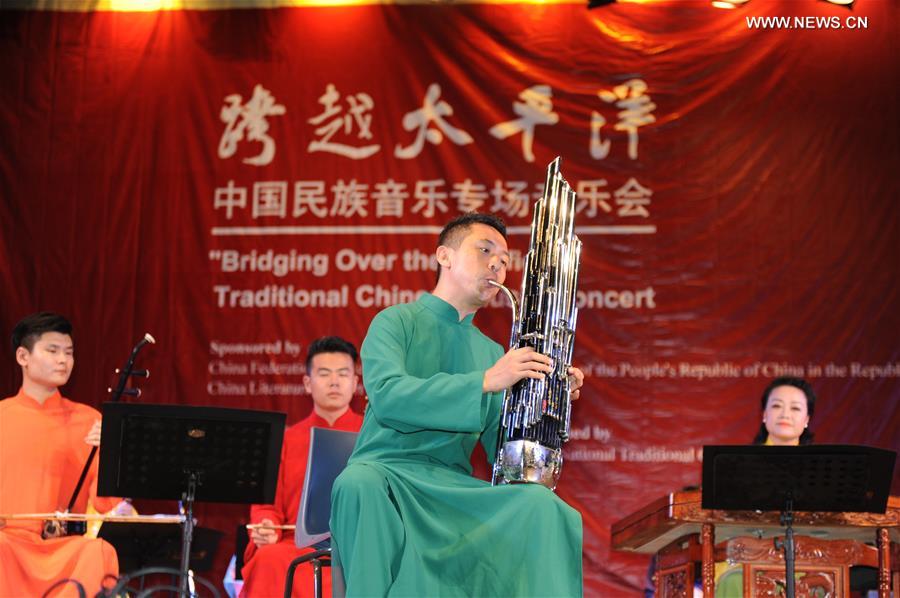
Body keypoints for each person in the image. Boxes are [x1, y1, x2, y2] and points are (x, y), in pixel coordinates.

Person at [330, 212, 585, 597]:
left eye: (503, 259)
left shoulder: (492, 351)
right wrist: (485, 381)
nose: (497, 264)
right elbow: (388, 395)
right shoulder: (395, 322)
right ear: (444, 256)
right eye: (485, 251)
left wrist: (547, 397)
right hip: (387, 474)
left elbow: (504, 452)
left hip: (452, 487)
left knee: (541, 506)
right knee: (357, 483)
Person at [0, 312, 128, 597]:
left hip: (63, 547)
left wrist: (112, 454)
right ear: (23, 356)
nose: (64, 360)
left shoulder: (90, 421)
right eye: (53, 351)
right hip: (8, 544)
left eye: (69, 353)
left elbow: (107, 504)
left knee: (98, 550)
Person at [240, 336, 364, 598]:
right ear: (308, 383)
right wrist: (266, 526)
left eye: (343, 374)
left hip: (360, 546)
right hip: (298, 548)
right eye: (324, 374)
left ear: (355, 383)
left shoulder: (374, 436)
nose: (334, 381)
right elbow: (267, 507)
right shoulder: (286, 440)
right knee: (269, 558)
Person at [751, 376, 815, 446]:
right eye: (777, 406)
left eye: (795, 408)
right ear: (764, 414)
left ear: (806, 419)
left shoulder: (819, 457)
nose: (785, 415)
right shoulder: (744, 456)